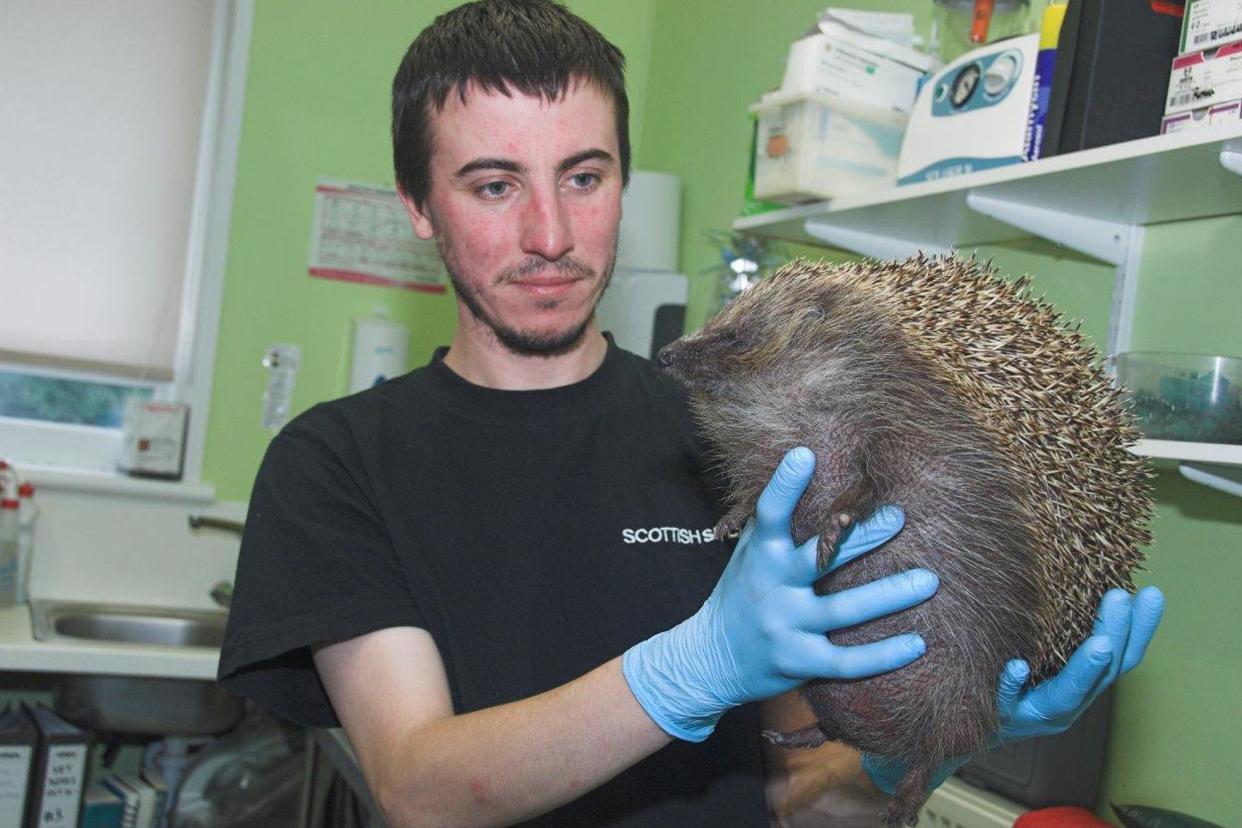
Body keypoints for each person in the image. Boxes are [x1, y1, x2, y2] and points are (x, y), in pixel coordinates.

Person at [217, 2, 1165, 825]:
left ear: (625, 181)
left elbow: (803, 804)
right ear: (419, 206)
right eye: (495, 185)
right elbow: (418, 790)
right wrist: (688, 670)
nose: (549, 235)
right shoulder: (334, 464)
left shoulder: (741, 435)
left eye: (584, 178)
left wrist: (927, 747)